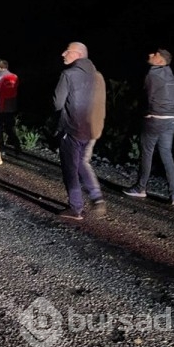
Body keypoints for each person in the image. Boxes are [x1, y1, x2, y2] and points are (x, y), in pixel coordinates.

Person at [53, 42, 107, 220]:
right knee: (83, 163)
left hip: (72, 129)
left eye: (66, 51)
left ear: (77, 54)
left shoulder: (68, 74)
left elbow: (57, 103)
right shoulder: (98, 76)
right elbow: (100, 104)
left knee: (70, 168)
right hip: (92, 130)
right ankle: (97, 197)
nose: (63, 54)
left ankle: (75, 208)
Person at [123, 48, 174, 206]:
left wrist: (147, 112)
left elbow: (147, 97)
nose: (150, 55)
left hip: (154, 120)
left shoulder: (152, 75)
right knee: (167, 155)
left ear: (160, 61)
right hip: (171, 120)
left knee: (147, 153)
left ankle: (140, 188)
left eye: (154, 54)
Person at [0, 59, 22, 155]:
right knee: (10, 128)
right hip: (11, 107)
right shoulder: (15, 77)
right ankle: (17, 147)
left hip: (0, 107)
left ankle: (1, 148)